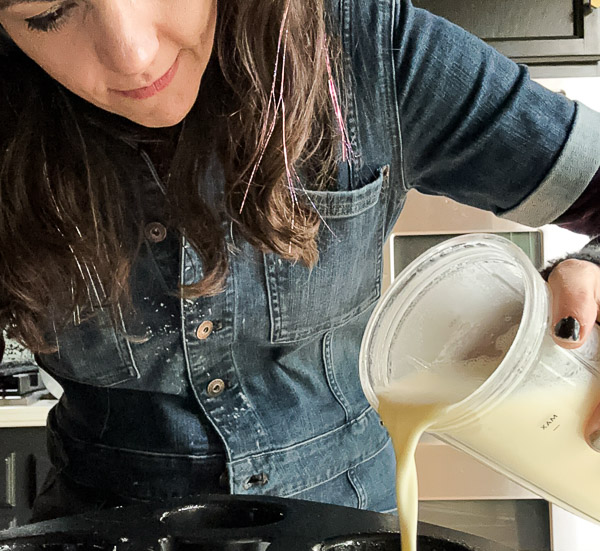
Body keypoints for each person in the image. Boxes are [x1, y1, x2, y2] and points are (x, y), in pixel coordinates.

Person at [0, 0, 599, 522]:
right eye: (47, 13)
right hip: (98, 545)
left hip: (347, 531)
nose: (133, 54)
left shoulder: (367, 48)